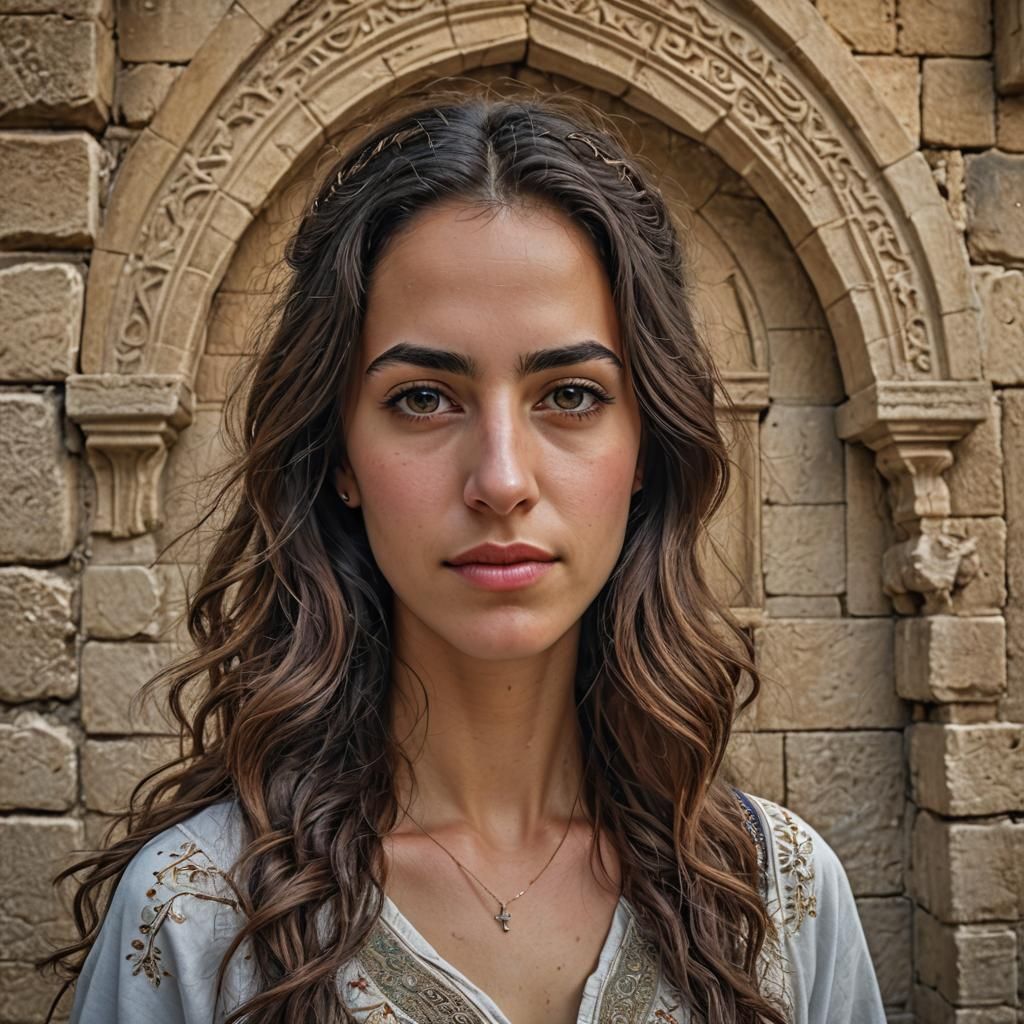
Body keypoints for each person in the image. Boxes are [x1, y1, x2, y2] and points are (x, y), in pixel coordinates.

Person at [40, 85, 886, 1024]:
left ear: (646, 448)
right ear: (341, 458)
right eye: (422, 398)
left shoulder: (781, 901)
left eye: (569, 394)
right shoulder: (196, 918)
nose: (501, 478)